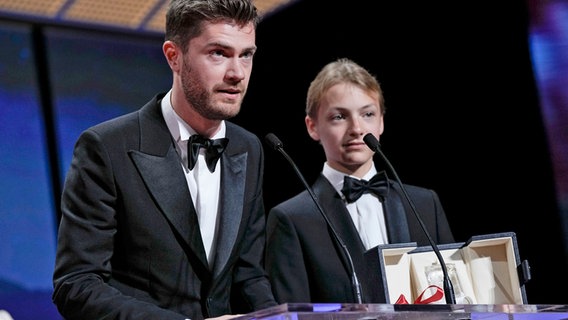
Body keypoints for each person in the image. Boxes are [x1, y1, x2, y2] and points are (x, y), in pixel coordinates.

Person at [52, 0, 277, 319]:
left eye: (246, 55)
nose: (237, 73)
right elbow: (76, 284)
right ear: (174, 56)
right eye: (218, 53)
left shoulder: (248, 148)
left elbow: (249, 275)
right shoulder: (106, 147)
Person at [265, 58, 455, 304]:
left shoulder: (425, 204)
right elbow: (291, 312)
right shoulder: (291, 219)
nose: (356, 128)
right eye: (339, 117)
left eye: (367, 114)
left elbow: (456, 296)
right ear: (312, 127)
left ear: (381, 122)